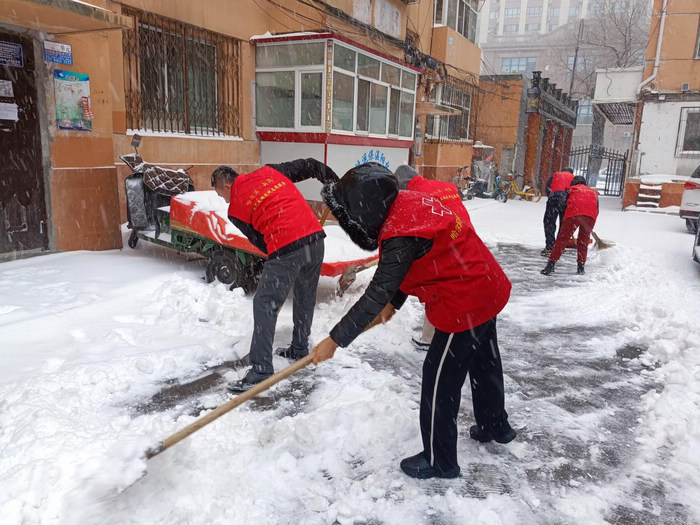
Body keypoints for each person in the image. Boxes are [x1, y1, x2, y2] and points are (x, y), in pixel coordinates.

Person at [311, 162, 516, 480]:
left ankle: (440, 460)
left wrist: (334, 340)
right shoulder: (409, 204)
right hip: (486, 285)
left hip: (463, 303)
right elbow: (415, 261)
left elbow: (379, 289)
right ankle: (495, 425)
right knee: (485, 363)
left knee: (439, 382)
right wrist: (394, 303)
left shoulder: (399, 233)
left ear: (367, 211)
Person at [211, 159, 339, 391]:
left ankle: (260, 369)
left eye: (221, 195)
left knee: (264, 303)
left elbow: (259, 241)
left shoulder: (235, 211)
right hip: (314, 238)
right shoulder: (269, 172)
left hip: (286, 245)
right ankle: (300, 348)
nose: (224, 200)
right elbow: (309, 165)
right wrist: (333, 183)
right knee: (305, 295)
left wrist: (277, 258)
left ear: (227, 186)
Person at [394, 164, 468, 349]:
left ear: (403, 184)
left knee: (435, 289)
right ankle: (444, 333)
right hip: (465, 238)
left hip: (446, 245)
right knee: (452, 291)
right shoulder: (443, 186)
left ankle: (430, 338)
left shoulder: (416, 195)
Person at [541, 175, 600, 276]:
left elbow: (561, 204)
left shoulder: (570, 189)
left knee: (562, 240)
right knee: (583, 241)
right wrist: (588, 220)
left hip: (574, 214)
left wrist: (568, 216)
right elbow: (597, 207)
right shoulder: (593, 192)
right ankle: (581, 268)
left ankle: (550, 265)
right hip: (590, 216)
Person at [541, 167, 575, 257]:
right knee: (564, 224)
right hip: (566, 200)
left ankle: (549, 246)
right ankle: (558, 247)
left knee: (549, 222)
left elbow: (547, 188)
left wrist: (552, 197)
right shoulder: (573, 178)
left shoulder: (555, 175)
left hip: (553, 198)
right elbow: (575, 192)